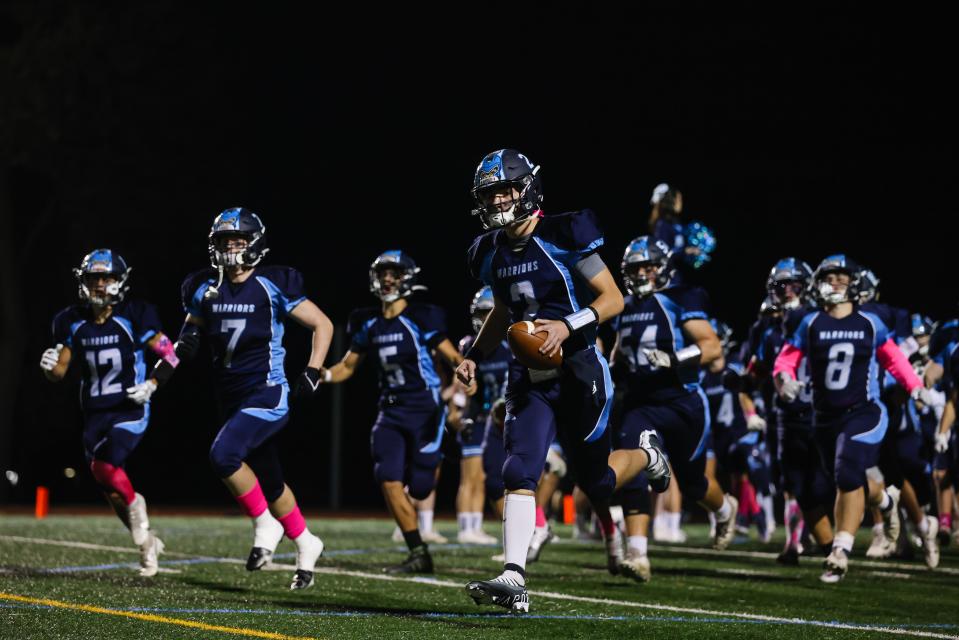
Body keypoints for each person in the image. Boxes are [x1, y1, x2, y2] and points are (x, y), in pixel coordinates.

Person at [177, 207, 332, 590]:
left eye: (238, 241)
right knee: (271, 479)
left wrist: (312, 370)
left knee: (223, 455)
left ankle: (264, 524)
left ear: (254, 244)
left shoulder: (272, 283)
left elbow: (322, 324)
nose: (230, 249)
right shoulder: (204, 287)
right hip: (229, 397)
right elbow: (188, 331)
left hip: (267, 392)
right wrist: (178, 346)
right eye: (224, 243)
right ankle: (306, 541)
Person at [42, 249, 176, 577]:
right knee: (112, 490)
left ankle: (139, 517)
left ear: (120, 281)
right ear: (83, 281)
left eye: (107, 278)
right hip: (94, 414)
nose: (100, 285)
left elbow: (170, 354)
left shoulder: (136, 315)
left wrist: (153, 384)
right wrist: (48, 369)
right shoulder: (70, 320)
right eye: (93, 278)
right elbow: (60, 370)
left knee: (105, 467)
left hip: (130, 408)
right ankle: (146, 543)